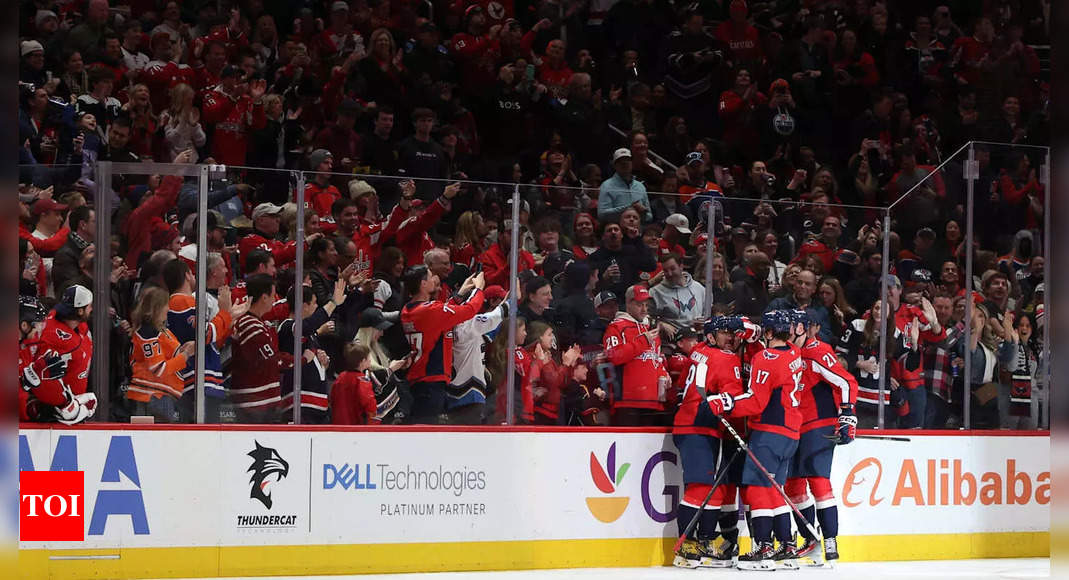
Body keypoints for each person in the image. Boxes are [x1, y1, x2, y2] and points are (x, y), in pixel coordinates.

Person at [707, 310, 805, 570]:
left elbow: (755, 401)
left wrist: (725, 402)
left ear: (769, 332)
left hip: (769, 431)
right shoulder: (794, 352)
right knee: (776, 489)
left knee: (756, 489)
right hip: (791, 432)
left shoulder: (766, 357)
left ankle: (763, 548)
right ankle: (786, 546)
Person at [786, 310, 859, 564]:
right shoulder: (788, 350)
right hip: (793, 425)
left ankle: (830, 539)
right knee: (793, 486)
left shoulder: (818, 351)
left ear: (812, 328)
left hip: (819, 424)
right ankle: (810, 539)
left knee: (818, 481)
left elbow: (847, 382)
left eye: (798, 325)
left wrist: (847, 416)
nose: (792, 329)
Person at [672, 315, 745, 568]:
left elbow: (681, 388)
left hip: (692, 425)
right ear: (711, 336)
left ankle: (703, 541)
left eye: (733, 333)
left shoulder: (697, 352)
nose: (731, 338)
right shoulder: (727, 358)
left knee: (713, 487)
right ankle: (686, 546)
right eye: (725, 333)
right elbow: (733, 397)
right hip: (700, 427)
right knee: (701, 487)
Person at [401, 266, 486, 424]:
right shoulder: (431, 311)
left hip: (420, 380)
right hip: (431, 382)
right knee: (425, 434)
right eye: (430, 276)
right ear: (423, 284)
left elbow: (440, 315)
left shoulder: (408, 310)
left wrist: (459, 295)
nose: (434, 279)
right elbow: (469, 310)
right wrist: (479, 290)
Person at [164, 258, 234, 422]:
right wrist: (224, 312)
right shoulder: (183, 301)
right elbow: (205, 335)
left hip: (194, 382)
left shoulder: (172, 304)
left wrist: (229, 314)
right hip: (199, 380)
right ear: (187, 275)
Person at [20, 285, 98, 424]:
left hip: (72, 403)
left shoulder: (80, 326)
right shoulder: (51, 337)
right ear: (80, 311)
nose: (91, 309)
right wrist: (65, 404)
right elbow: (40, 376)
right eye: (89, 306)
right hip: (59, 411)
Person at [278, 278, 346, 424]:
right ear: (304, 306)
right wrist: (332, 304)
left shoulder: (309, 334)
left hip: (317, 407)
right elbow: (306, 326)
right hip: (300, 407)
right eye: (314, 303)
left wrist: (323, 364)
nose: (317, 307)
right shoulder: (287, 327)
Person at [231, 274, 294, 423]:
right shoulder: (250, 325)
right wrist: (302, 359)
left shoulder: (255, 322)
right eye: (273, 295)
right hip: (255, 403)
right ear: (264, 297)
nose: (275, 299)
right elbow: (272, 360)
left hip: (260, 402)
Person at [603, 284, 668, 425]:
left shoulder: (651, 328)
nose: (644, 309)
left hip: (653, 402)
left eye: (646, 304)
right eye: (639, 304)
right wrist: (643, 340)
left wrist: (664, 374)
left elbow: (657, 359)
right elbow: (613, 356)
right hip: (627, 402)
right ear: (628, 303)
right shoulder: (616, 327)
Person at [128, 286, 194, 422]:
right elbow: (159, 369)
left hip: (162, 396)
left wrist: (182, 351)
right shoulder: (147, 333)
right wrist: (185, 355)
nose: (168, 309)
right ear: (156, 307)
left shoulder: (162, 331)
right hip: (153, 395)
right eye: (166, 305)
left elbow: (167, 357)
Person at [448, 285, 509, 424]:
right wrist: (510, 303)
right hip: (468, 392)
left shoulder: (459, 323)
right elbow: (493, 318)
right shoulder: (469, 324)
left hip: (461, 391)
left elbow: (492, 323)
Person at [650, 253, 706, 333]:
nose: (669, 274)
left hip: (697, 337)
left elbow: (708, 314)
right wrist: (661, 324)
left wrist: (703, 322)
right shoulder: (656, 292)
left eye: (673, 269)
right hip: (673, 340)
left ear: (681, 266)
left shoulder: (699, 288)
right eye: (665, 270)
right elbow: (647, 318)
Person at [330, 343, 380, 425]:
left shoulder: (340, 377)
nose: (370, 360)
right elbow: (370, 405)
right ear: (363, 361)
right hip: (355, 426)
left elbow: (332, 398)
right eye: (368, 358)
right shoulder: (362, 380)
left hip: (338, 424)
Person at [598, 148, 652, 223]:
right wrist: (630, 208)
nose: (624, 163)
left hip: (637, 231)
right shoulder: (606, 185)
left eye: (627, 160)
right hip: (616, 230)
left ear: (632, 163)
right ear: (614, 165)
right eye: (620, 161)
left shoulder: (640, 186)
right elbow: (602, 215)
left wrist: (643, 213)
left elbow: (649, 217)